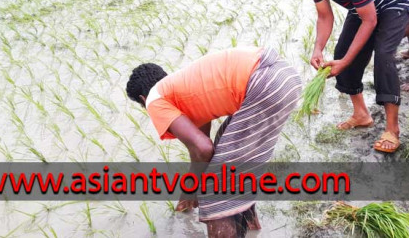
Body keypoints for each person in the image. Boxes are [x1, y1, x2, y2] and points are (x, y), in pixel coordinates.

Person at [126, 47, 301, 237]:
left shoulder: (155, 98)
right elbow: (207, 148)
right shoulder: (183, 84)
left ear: (143, 99)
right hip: (283, 76)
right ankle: (250, 229)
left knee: (215, 189)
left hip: (264, 83)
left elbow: (202, 148)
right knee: (227, 165)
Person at [280, 0, 409, 153]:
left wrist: (345, 63)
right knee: (342, 52)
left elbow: (370, 21)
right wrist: (317, 49)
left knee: (383, 55)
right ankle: (361, 114)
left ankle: (392, 129)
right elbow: (325, 16)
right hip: (363, 3)